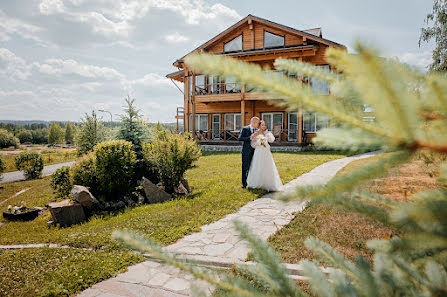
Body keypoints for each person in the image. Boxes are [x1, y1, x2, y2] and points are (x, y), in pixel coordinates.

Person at [246, 120, 283, 192]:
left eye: (265, 125)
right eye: (262, 125)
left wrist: (267, 135)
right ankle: (257, 183)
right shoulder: (256, 132)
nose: (264, 126)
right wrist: (259, 143)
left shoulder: (267, 132)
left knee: (267, 166)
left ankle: (268, 183)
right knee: (258, 165)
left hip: (266, 151)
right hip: (259, 151)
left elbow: (272, 140)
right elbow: (252, 144)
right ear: (259, 126)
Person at [238, 117, 260, 188]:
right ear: (253, 122)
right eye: (257, 123)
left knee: (253, 168)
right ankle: (244, 184)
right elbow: (240, 138)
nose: (258, 124)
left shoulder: (257, 130)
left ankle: (251, 182)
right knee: (245, 168)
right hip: (246, 152)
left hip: (255, 152)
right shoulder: (245, 129)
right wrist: (250, 137)